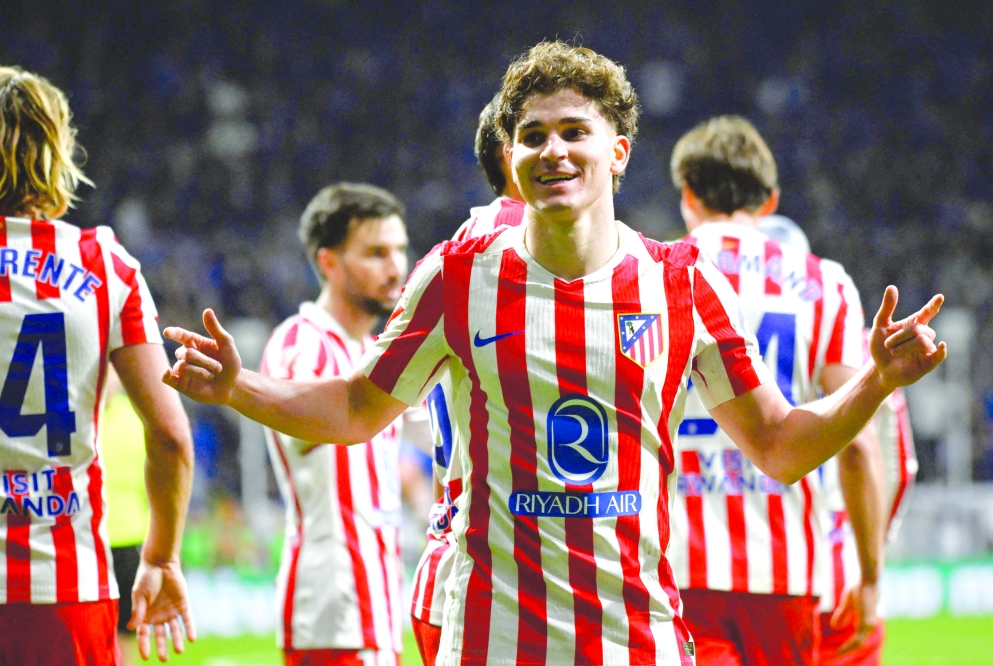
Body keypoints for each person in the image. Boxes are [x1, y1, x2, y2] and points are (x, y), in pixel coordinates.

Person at [162, 41, 945, 666]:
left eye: (575, 132)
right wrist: (240, 387)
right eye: (533, 135)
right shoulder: (458, 275)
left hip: (638, 636)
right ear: (510, 156)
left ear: (619, 152)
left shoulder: (682, 283)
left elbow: (778, 445)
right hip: (493, 637)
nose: (554, 151)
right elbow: (357, 407)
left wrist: (876, 381)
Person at [666, 116, 885, 666]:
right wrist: (869, 575)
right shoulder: (827, 284)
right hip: (787, 571)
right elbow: (859, 443)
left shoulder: (651, 274)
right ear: (770, 201)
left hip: (676, 564)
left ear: (687, 194)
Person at [0, 66, 195, 664]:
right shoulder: (104, 264)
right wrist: (161, 557)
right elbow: (170, 436)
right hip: (66, 586)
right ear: (57, 151)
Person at [259, 182, 429, 666]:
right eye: (376, 253)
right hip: (333, 608)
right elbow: (305, 429)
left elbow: (441, 435)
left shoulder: (373, 353)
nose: (396, 267)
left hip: (376, 602)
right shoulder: (302, 342)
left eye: (399, 250)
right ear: (329, 263)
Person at [409, 96, 526, 666]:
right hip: (497, 573)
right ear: (511, 153)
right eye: (539, 135)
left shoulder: (458, 248)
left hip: (449, 550)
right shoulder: (519, 249)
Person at [816, 328, 918, 666]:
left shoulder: (730, 332)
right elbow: (899, 469)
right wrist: (871, 560)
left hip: (738, 566)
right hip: (842, 568)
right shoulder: (869, 349)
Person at [102, 365, 151, 666]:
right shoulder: (78, 419)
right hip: (89, 540)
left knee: (126, 629)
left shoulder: (136, 419)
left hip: (130, 538)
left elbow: (154, 484)